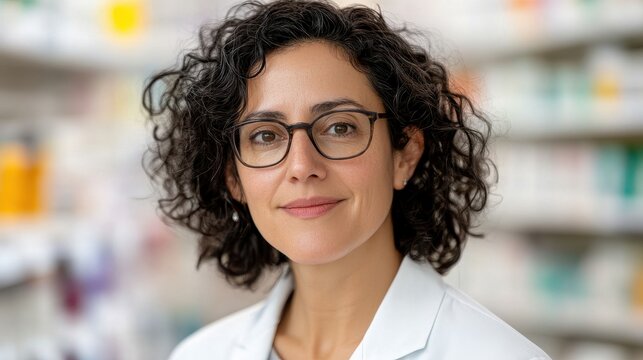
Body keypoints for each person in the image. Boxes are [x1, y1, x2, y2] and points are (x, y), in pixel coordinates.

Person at [142, 1, 552, 359]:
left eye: (339, 128)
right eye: (265, 135)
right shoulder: (200, 354)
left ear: (404, 154)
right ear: (233, 177)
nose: (302, 166)